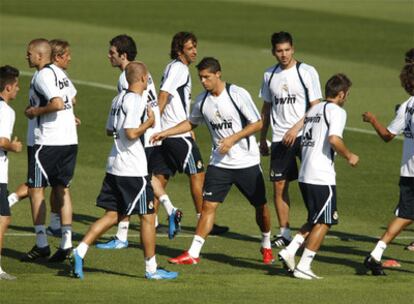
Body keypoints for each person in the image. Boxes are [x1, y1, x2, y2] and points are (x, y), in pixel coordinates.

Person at [152, 57, 273, 265]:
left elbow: (258, 124)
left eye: (207, 77)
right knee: (208, 206)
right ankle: (193, 253)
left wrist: (232, 139)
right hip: (219, 163)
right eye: (200, 78)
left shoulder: (237, 94)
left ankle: (267, 243)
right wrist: (166, 133)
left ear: (218, 74)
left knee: (260, 207)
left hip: (246, 162)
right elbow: (191, 123)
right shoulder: (201, 100)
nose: (203, 81)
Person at [70, 62, 178, 280]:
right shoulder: (136, 100)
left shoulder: (117, 99)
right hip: (132, 169)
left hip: (114, 165)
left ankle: (79, 250)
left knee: (112, 215)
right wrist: (148, 123)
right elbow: (130, 133)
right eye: (148, 77)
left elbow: (110, 129)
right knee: (147, 217)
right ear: (143, 78)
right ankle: (152, 270)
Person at [96, 34, 181, 250]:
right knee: (146, 177)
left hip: (143, 134)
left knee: (129, 179)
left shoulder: (127, 78)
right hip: (153, 131)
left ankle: (122, 236)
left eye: (112, 53)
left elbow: (132, 111)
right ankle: (170, 209)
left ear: (123, 55)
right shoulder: (142, 71)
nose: (108, 56)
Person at [278, 74, 358, 279]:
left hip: (306, 173)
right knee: (326, 222)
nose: (347, 97)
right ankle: (304, 265)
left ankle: (290, 250)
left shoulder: (314, 109)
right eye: (347, 94)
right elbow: (333, 139)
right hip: (321, 175)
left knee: (314, 219)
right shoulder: (337, 111)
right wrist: (349, 155)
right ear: (341, 94)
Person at [156, 32, 228, 235]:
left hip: (169, 131)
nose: (195, 51)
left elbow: (173, 100)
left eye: (195, 46)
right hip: (176, 134)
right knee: (197, 174)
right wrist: (155, 125)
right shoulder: (179, 69)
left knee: (161, 176)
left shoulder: (173, 67)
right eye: (190, 48)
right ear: (180, 51)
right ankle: (203, 220)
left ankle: (150, 221)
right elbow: (164, 95)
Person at [7, 39, 78, 238]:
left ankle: (41, 242)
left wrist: (35, 111)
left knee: (36, 187)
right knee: (61, 188)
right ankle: (65, 241)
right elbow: (70, 98)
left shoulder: (42, 76)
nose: (26, 56)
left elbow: (56, 103)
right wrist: (68, 116)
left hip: (46, 139)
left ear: (39, 55)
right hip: (68, 139)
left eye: (29, 53)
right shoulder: (59, 73)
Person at [259, 31, 322, 247]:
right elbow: (266, 108)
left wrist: (296, 128)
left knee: (309, 184)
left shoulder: (307, 71)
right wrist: (261, 138)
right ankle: (284, 232)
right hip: (279, 138)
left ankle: (312, 226)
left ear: (293, 49)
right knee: (279, 186)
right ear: (273, 52)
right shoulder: (269, 75)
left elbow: (316, 106)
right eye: (279, 51)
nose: (284, 54)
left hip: (305, 136)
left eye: (287, 50)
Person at [362, 63, 414, 275]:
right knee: (405, 215)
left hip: (408, 171)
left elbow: (387, 136)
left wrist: (374, 120)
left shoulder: (406, 105)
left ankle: (376, 253)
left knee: (404, 215)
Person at [0, 65, 23, 280]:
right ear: (8, 87)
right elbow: (1, 140)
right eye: (16, 85)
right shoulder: (5, 111)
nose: (18, 89)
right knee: (3, 219)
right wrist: (13, 147)